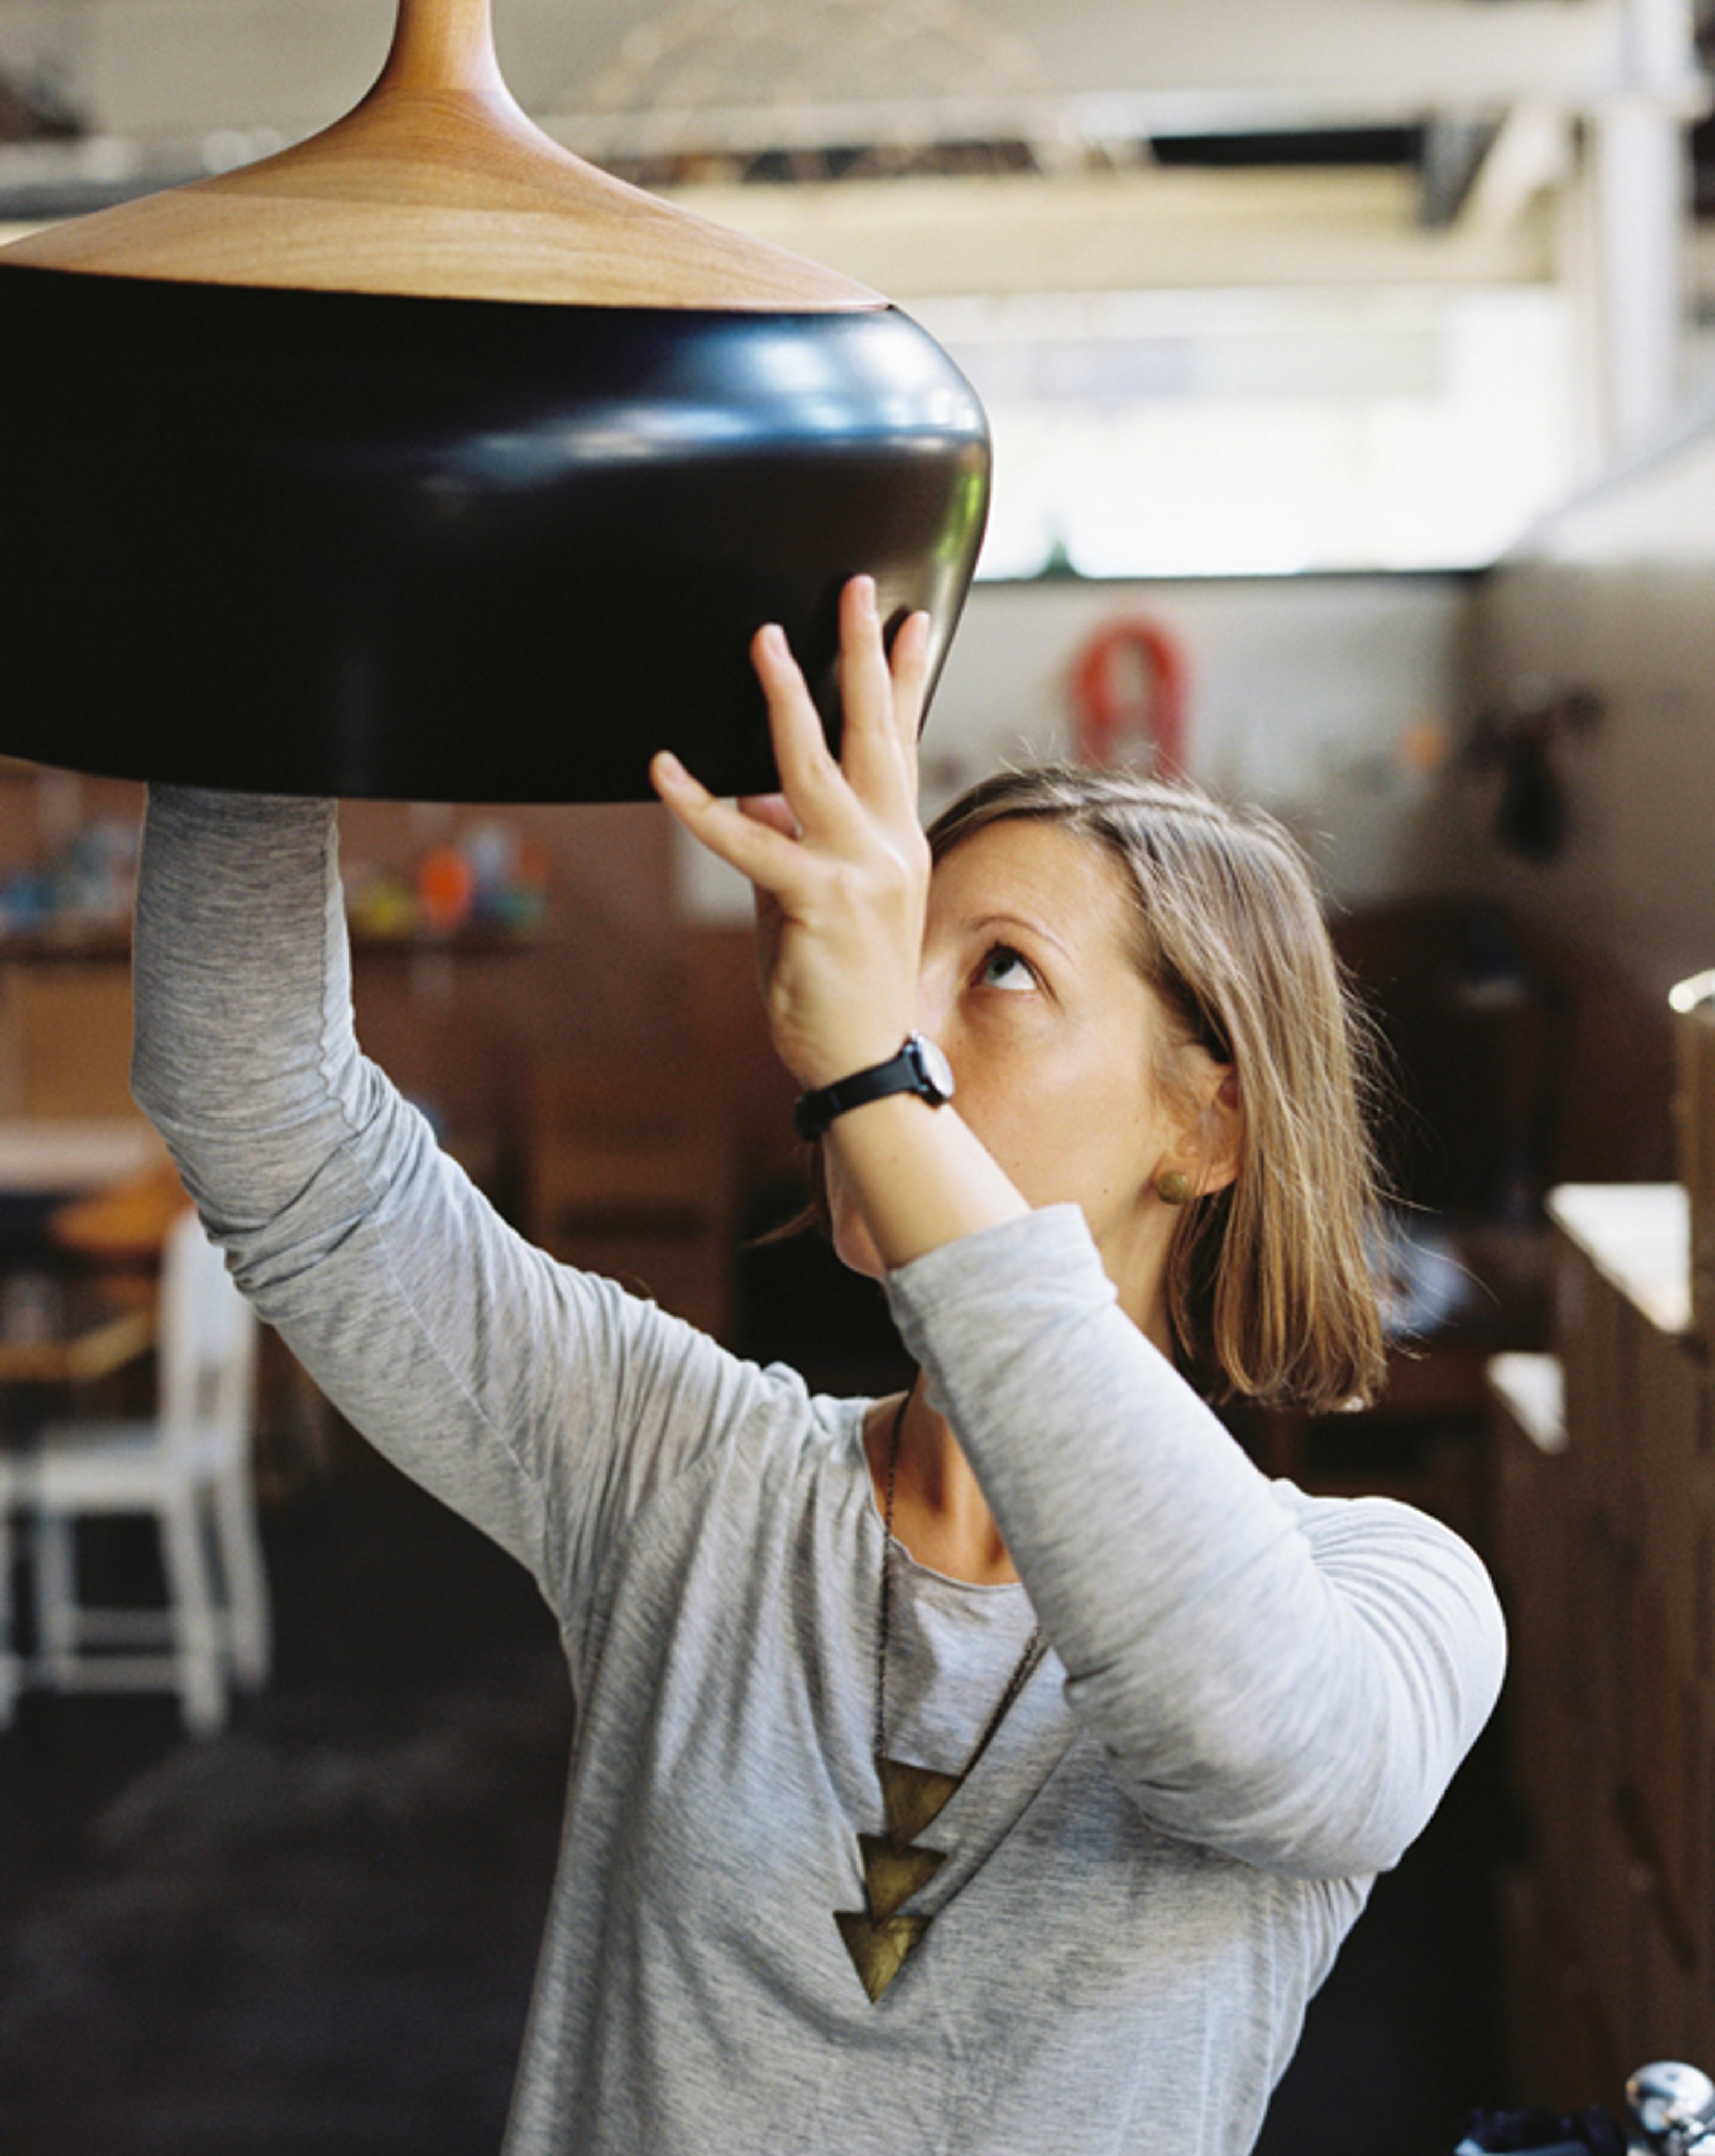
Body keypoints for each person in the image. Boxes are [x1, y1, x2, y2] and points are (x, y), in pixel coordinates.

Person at [130, 576, 1505, 2156]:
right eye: (889, 956)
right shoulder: (687, 1475)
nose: (890, 1015)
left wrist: (874, 1070)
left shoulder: (1393, 1593)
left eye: (995, 971)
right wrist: (262, 596)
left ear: (1210, 1125)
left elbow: (1266, 1745)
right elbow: (267, 1120)